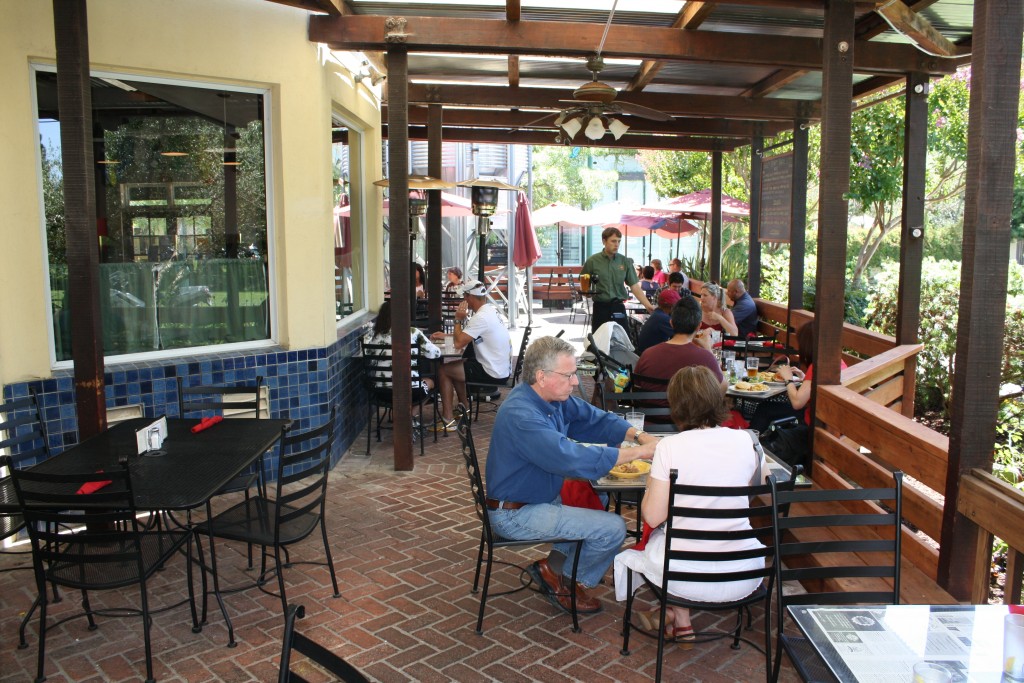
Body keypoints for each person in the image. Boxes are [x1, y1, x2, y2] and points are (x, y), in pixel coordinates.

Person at [486, 336, 660, 614]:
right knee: (613, 528)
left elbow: (594, 418)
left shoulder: (548, 397)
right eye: (568, 375)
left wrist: (639, 436)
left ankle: (552, 568)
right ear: (542, 376)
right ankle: (568, 584)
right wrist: (640, 453)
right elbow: (570, 457)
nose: (576, 381)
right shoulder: (522, 415)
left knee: (595, 499)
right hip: (516, 514)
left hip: (538, 496)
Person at [613, 365, 770, 640]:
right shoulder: (748, 441)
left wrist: (653, 482)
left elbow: (652, 517)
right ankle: (679, 618)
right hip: (743, 570)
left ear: (677, 406)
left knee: (659, 541)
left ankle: (677, 615)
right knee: (671, 541)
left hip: (684, 573)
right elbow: (767, 493)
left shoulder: (669, 447)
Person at [429, 279, 511, 431]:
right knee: (458, 366)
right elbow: (467, 336)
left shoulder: (480, 317)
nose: (463, 300)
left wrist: (458, 320)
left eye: (464, 297)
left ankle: (448, 420)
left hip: (492, 372)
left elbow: (459, 343)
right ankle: (464, 408)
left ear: (469, 297)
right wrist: (446, 336)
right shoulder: (489, 311)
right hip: (501, 368)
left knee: (444, 371)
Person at [634, 295, 724, 396]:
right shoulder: (705, 357)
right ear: (699, 326)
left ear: (671, 323)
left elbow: (636, 388)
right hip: (686, 411)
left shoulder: (647, 354)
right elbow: (722, 388)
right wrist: (708, 348)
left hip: (649, 411)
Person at [580, 227, 655, 333]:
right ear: (604, 241)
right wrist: (586, 292)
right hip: (600, 307)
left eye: (619, 241)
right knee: (599, 344)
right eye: (613, 241)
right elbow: (584, 283)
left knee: (623, 342)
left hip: (618, 307)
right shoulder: (592, 261)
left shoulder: (625, 261)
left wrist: (648, 306)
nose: (617, 244)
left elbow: (634, 286)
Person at [363, 300, 441, 395]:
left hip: (382, 391)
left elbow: (370, 356)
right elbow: (436, 353)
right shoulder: (413, 332)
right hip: (412, 391)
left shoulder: (377, 336)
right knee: (431, 381)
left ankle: (401, 410)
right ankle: (411, 410)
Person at [635, 288, 680, 355]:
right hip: (651, 358)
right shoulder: (663, 319)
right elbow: (682, 335)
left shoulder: (657, 314)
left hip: (645, 355)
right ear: (672, 307)